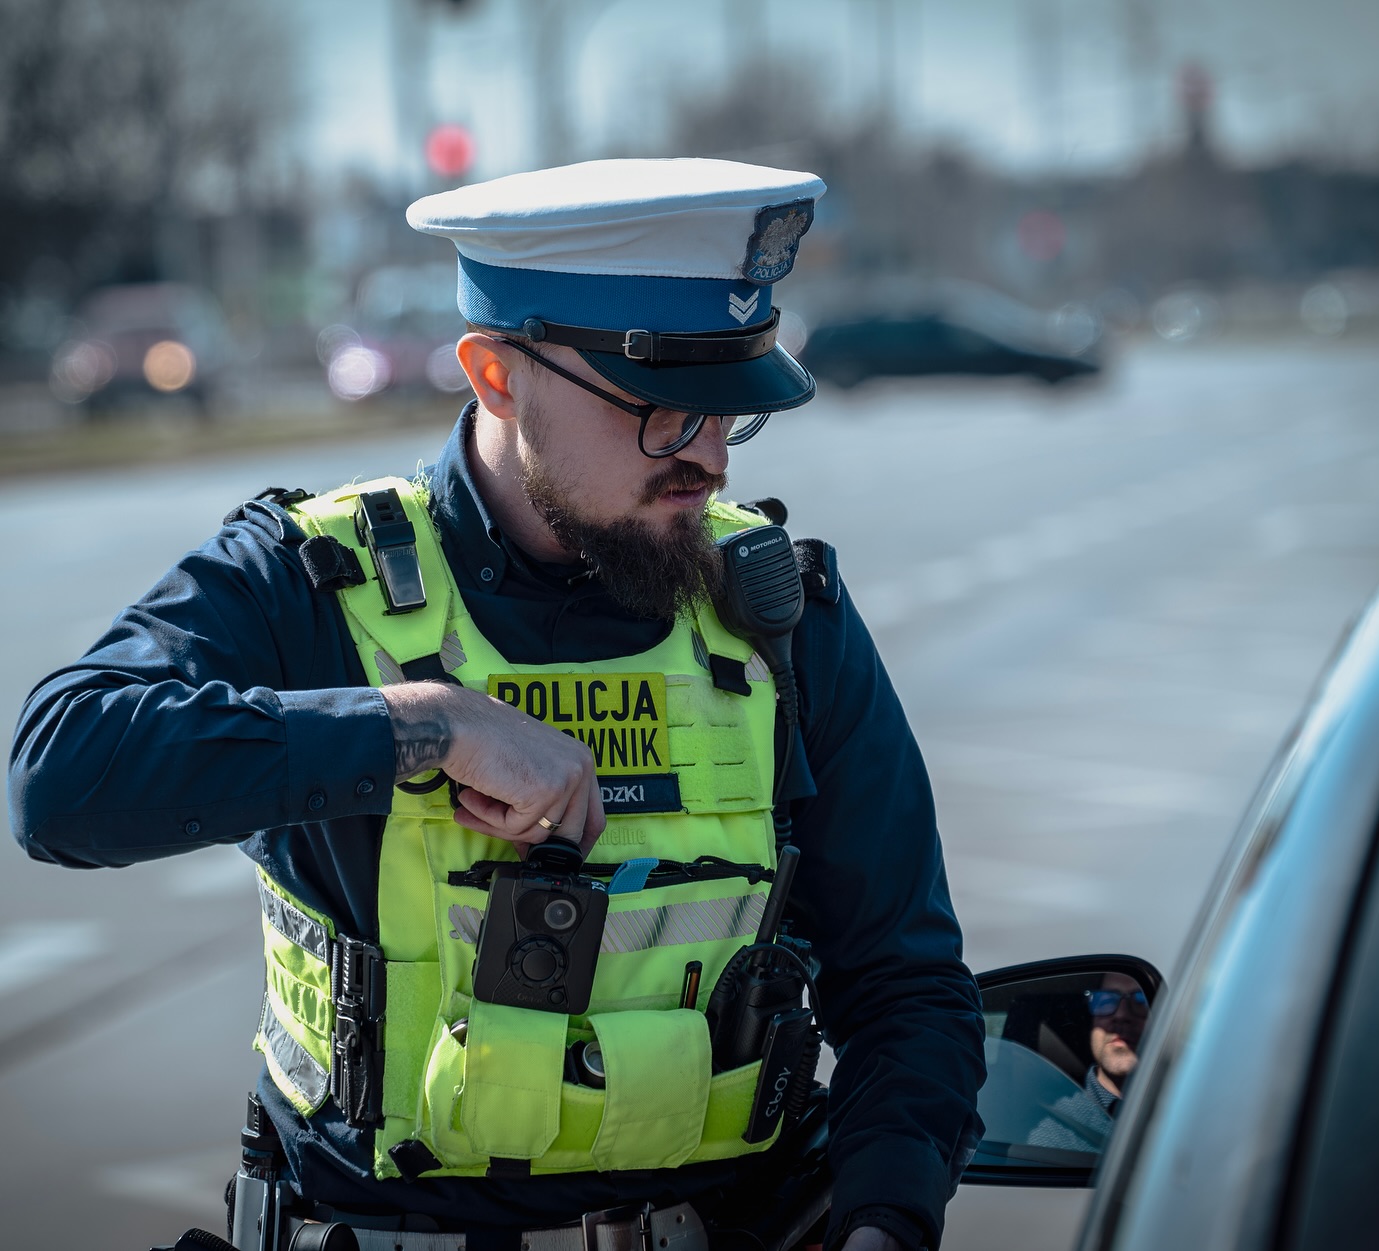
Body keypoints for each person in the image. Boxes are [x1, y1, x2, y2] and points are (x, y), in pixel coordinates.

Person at [9, 159, 985, 1251]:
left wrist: (886, 1224)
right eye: (664, 412)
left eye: (731, 414)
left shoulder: (784, 614)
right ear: (496, 376)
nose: (707, 460)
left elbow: (905, 986)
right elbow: (61, 776)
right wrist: (425, 726)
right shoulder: (308, 581)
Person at [1026, 973, 1149, 1154]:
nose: (1121, 1014)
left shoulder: (1193, 1110)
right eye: (1105, 1000)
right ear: (1092, 1021)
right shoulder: (1056, 1134)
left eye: (1141, 1000)